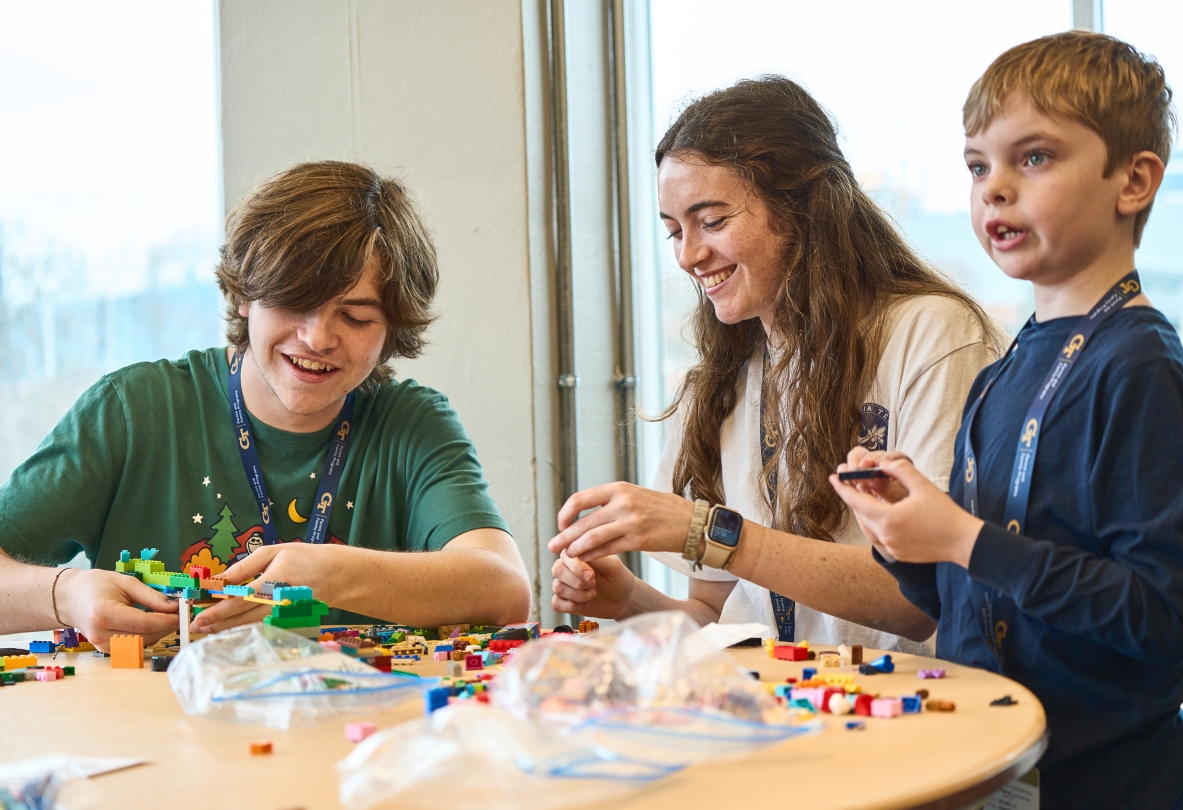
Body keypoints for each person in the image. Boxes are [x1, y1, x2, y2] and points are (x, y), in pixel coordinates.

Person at [831, 32, 1183, 808]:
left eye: (1032, 158)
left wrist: (964, 538)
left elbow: (1170, 622)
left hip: (1122, 786)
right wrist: (908, 540)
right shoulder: (1001, 371)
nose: (994, 187)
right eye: (977, 166)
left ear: (1133, 181)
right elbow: (970, 602)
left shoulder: (1138, 369)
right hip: (1005, 775)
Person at [548, 77, 1000, 653]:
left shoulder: (932, 334)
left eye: (712, 221)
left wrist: (710, 532)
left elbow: (921, 598)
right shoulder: (722, 380)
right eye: (673, 231)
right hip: (777, 716)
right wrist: (633, 600)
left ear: (804, 209)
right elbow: (721, 618)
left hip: (900, 717)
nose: (688, 255)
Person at [0, 161, 532, 650]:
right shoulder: (133, 409)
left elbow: (505, 588)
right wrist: (65, 594)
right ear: (244, 296)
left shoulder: (412, 423)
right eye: (294, 300)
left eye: (356, 316)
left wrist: (330, 573)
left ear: (392, 330)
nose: (318, 337)